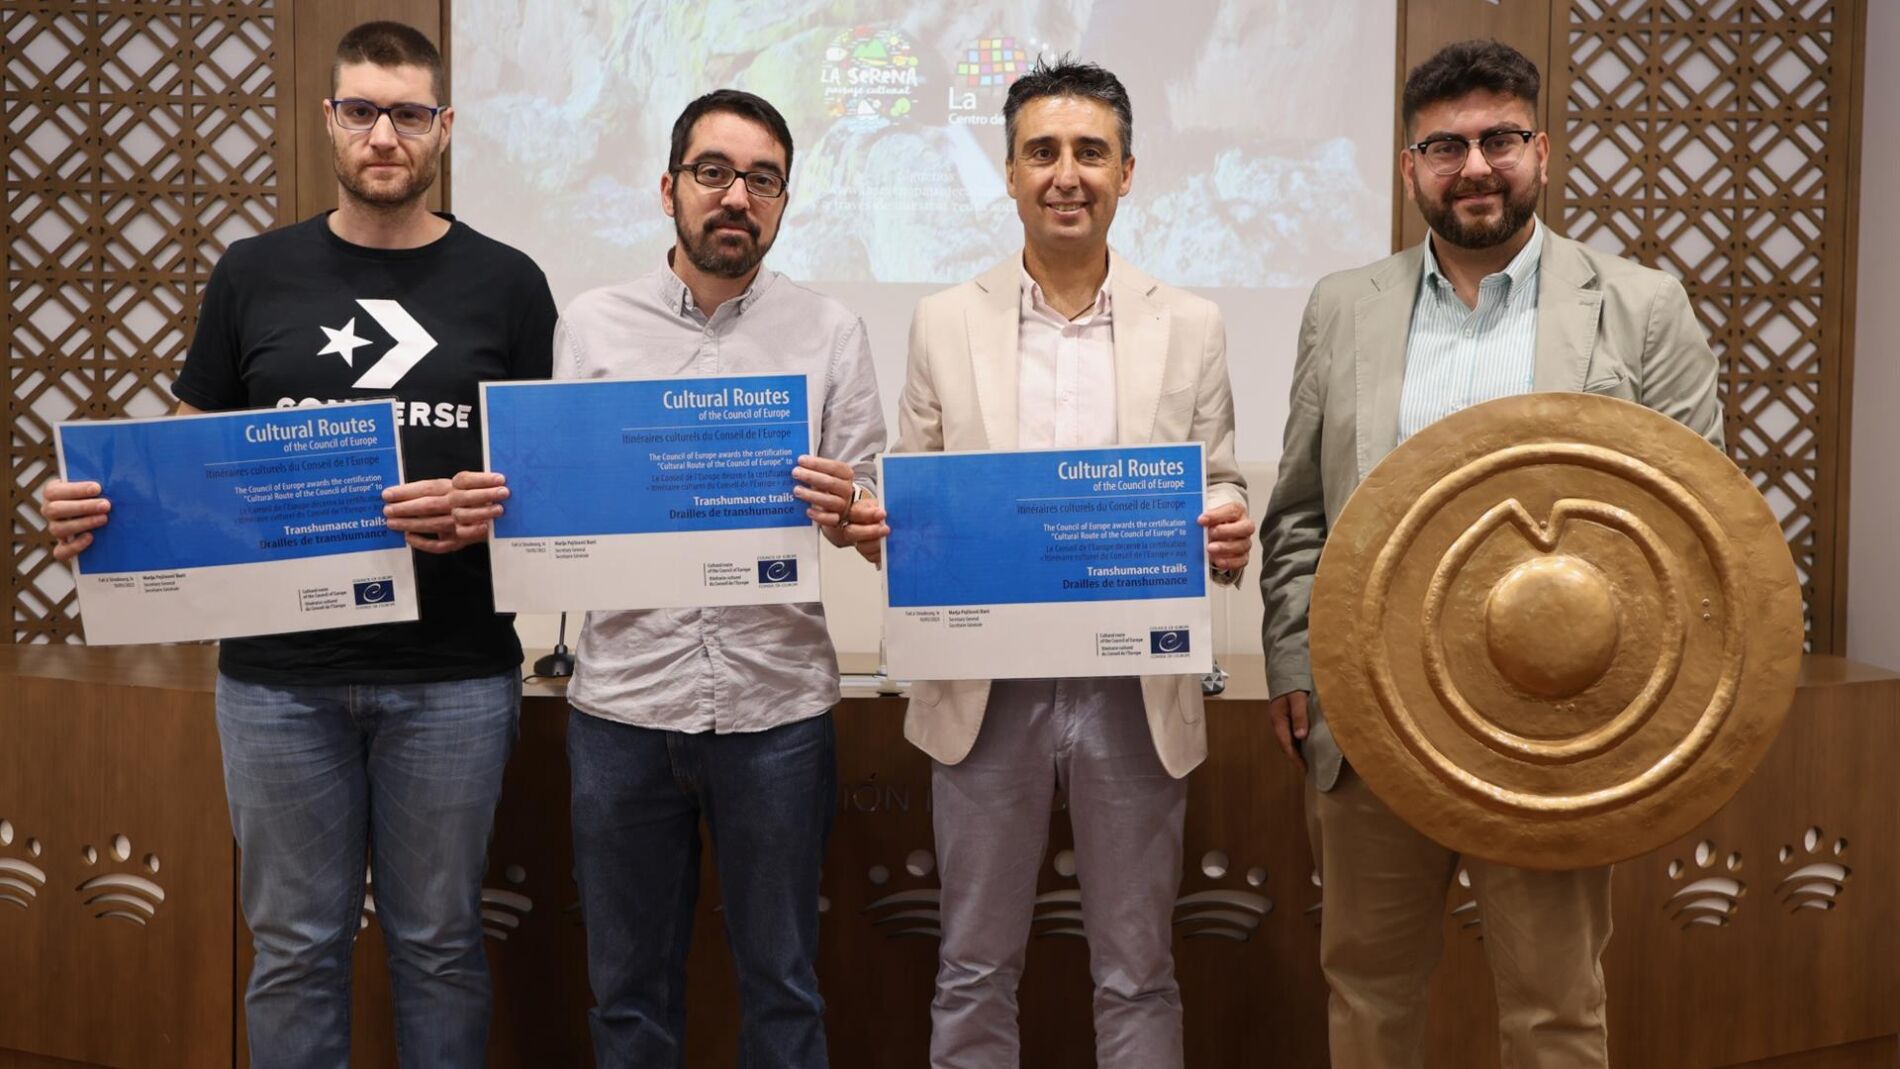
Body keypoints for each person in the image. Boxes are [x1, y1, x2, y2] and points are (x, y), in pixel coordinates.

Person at [38, 21, 555, 1066]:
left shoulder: (508, 282)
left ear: (445, 127)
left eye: (408, 114)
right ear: (329, 120)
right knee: (293, 950)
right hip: (277, 684)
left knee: (441, 945)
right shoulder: (254, 272)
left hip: (454, 676)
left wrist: (491, 509)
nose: (383, 135)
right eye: (361, 110)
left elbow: (548, 480)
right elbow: (188, 457)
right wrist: (96, 510)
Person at [1257, 39, 1722, 1069]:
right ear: (1409, 167)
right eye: (1445, 146)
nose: (1474, 166)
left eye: (1499, 139)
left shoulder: (1640, 306)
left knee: (1556, 1010)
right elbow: (1298, 513)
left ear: (1541, 152)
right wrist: (1295, 661)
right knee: (1367, 992)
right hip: (1372, 713)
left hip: (1556, 727)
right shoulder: (1343, 306)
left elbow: (1700, 528)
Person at [873, 57, 1253, 1069]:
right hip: (984, 691)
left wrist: (1227, 524)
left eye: (1091, 151)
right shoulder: (943, 319)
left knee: (1137, 970)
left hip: (1134, 688)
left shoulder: (1192, 322)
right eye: (1042, 152)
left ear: (1127, 171)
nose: (1066, 173)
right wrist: (889, 527)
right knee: (971, 964)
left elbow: (1218, 477)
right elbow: (914, 483)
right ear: (1008, 173)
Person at [500, 89, 886, 1069]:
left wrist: (855, 509)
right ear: (668, 187)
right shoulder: (592, 325)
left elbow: (872, 509)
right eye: (713, 172)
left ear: (784, 201)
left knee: (785, 990)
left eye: (763, 180)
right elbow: (558, 500)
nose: (736, 197)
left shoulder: (830, 329)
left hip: (777, 710)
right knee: (628, 999)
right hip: (625, 707)